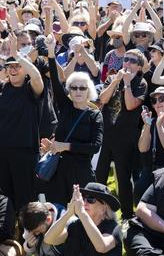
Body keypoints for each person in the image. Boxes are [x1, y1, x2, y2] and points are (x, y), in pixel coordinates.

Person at [0, 31, 44, 212]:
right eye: (10, 66)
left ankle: (25, 235)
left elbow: (37, 77)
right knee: (2, 197)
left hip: (24, 153)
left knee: (24, 198)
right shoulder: (0, 88)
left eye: (17, 66)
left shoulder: (31, 88)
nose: (13, 69)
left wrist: (17, 54)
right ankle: (4, 234)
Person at [43, 34, 103, 206]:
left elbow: (95, 146)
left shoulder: (95, 115)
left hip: (82, 171)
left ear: (89, 90)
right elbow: (55, 80)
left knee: (82, 212)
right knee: (58, 211)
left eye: (82, 88)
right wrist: (51, 52)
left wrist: (66, 146)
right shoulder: (65, 106)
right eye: (74, 88)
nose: (78, 91)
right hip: (59, 170)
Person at [97, 46, 148, 220]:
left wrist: (126, 83)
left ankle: (127, 215)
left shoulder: (141, 83)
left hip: (126, 138)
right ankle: (96, 209)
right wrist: (116, 80)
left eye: (133, 61)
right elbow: (102, 100)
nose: (127, 63)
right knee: (100, 174)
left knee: (123, 177)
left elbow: (130, 105)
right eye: (126, 59)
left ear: (139, 67)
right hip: (107, 134)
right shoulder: (113, 78)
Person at [44, 183, 122, 256]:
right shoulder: (75, 226)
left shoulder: (114, 228)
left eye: (90, 199)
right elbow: (49, 239)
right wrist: (68, 213)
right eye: (83, 198)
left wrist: (82, 212)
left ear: (104, 207)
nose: (84, 203)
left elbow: (102, 247)